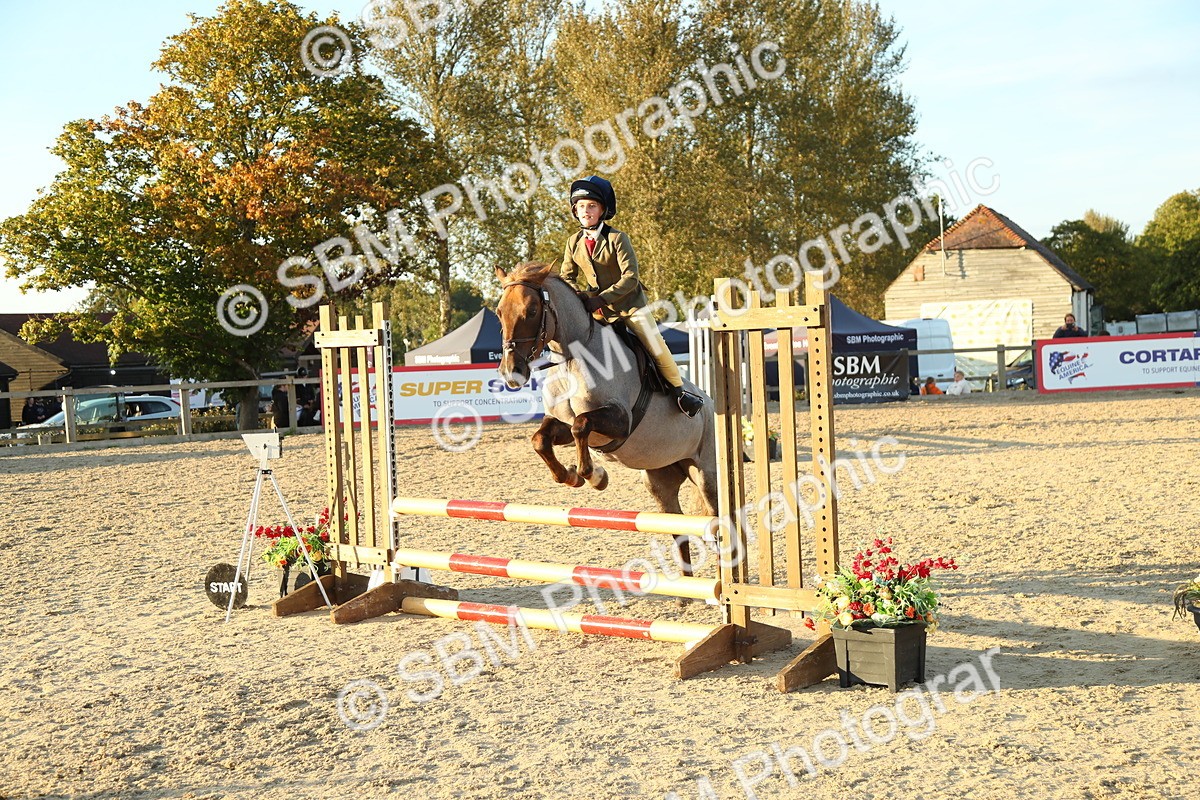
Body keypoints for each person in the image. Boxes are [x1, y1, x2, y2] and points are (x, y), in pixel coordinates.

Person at [559, 175, 704, 416]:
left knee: (654, 344)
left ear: (602, 210)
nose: (586, 210)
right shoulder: (573, 242)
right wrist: (579, 296)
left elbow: (630, 277)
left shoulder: (617, 238)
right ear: (575, 210)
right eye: (581, 206)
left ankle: (681, 393)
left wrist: (602, 298)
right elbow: (566, 276)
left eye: (592, 206)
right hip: (598, 312)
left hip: (629, 306)